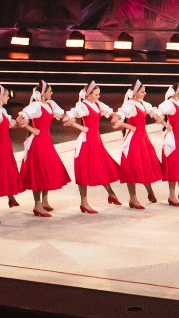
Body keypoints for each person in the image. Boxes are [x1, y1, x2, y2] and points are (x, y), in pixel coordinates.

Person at [64, 81, 121, 213]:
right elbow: (66, 120)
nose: (98, 97)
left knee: (102, 167)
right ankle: (84, 202)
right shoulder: (82, 106)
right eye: (96, 94)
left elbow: (111, 113)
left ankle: (111, 193)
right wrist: (81, 127)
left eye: (99, 94)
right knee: (84, 170)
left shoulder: (97, 104)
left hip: (96, 140)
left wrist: (121, 116)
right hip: (86, 142)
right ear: (88, 95)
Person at [17, 81, 70, 217]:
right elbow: (20, 119)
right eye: (50, 91)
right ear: (42, 93)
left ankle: (45, 201)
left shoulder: (50, 104)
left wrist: (71, 117)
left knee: (47, 169)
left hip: (46, 141)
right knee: (39, 172)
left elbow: (62, 115)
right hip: (38, 142)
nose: (52, 93)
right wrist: (31, 129)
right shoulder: (35, 106)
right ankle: (37, 205)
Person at [111, 80, 165, 210]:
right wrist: (128, 126)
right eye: (142, 92)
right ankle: (133, 198)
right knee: (133, 167)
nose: (145, 93)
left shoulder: (143, 104)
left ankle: (150, 191)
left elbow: (154, 114)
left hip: (143, 138)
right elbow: (115, 121)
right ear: (135, 93)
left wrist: (160, 119)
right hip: (134, 140)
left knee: (145, 165)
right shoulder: (129, 106)